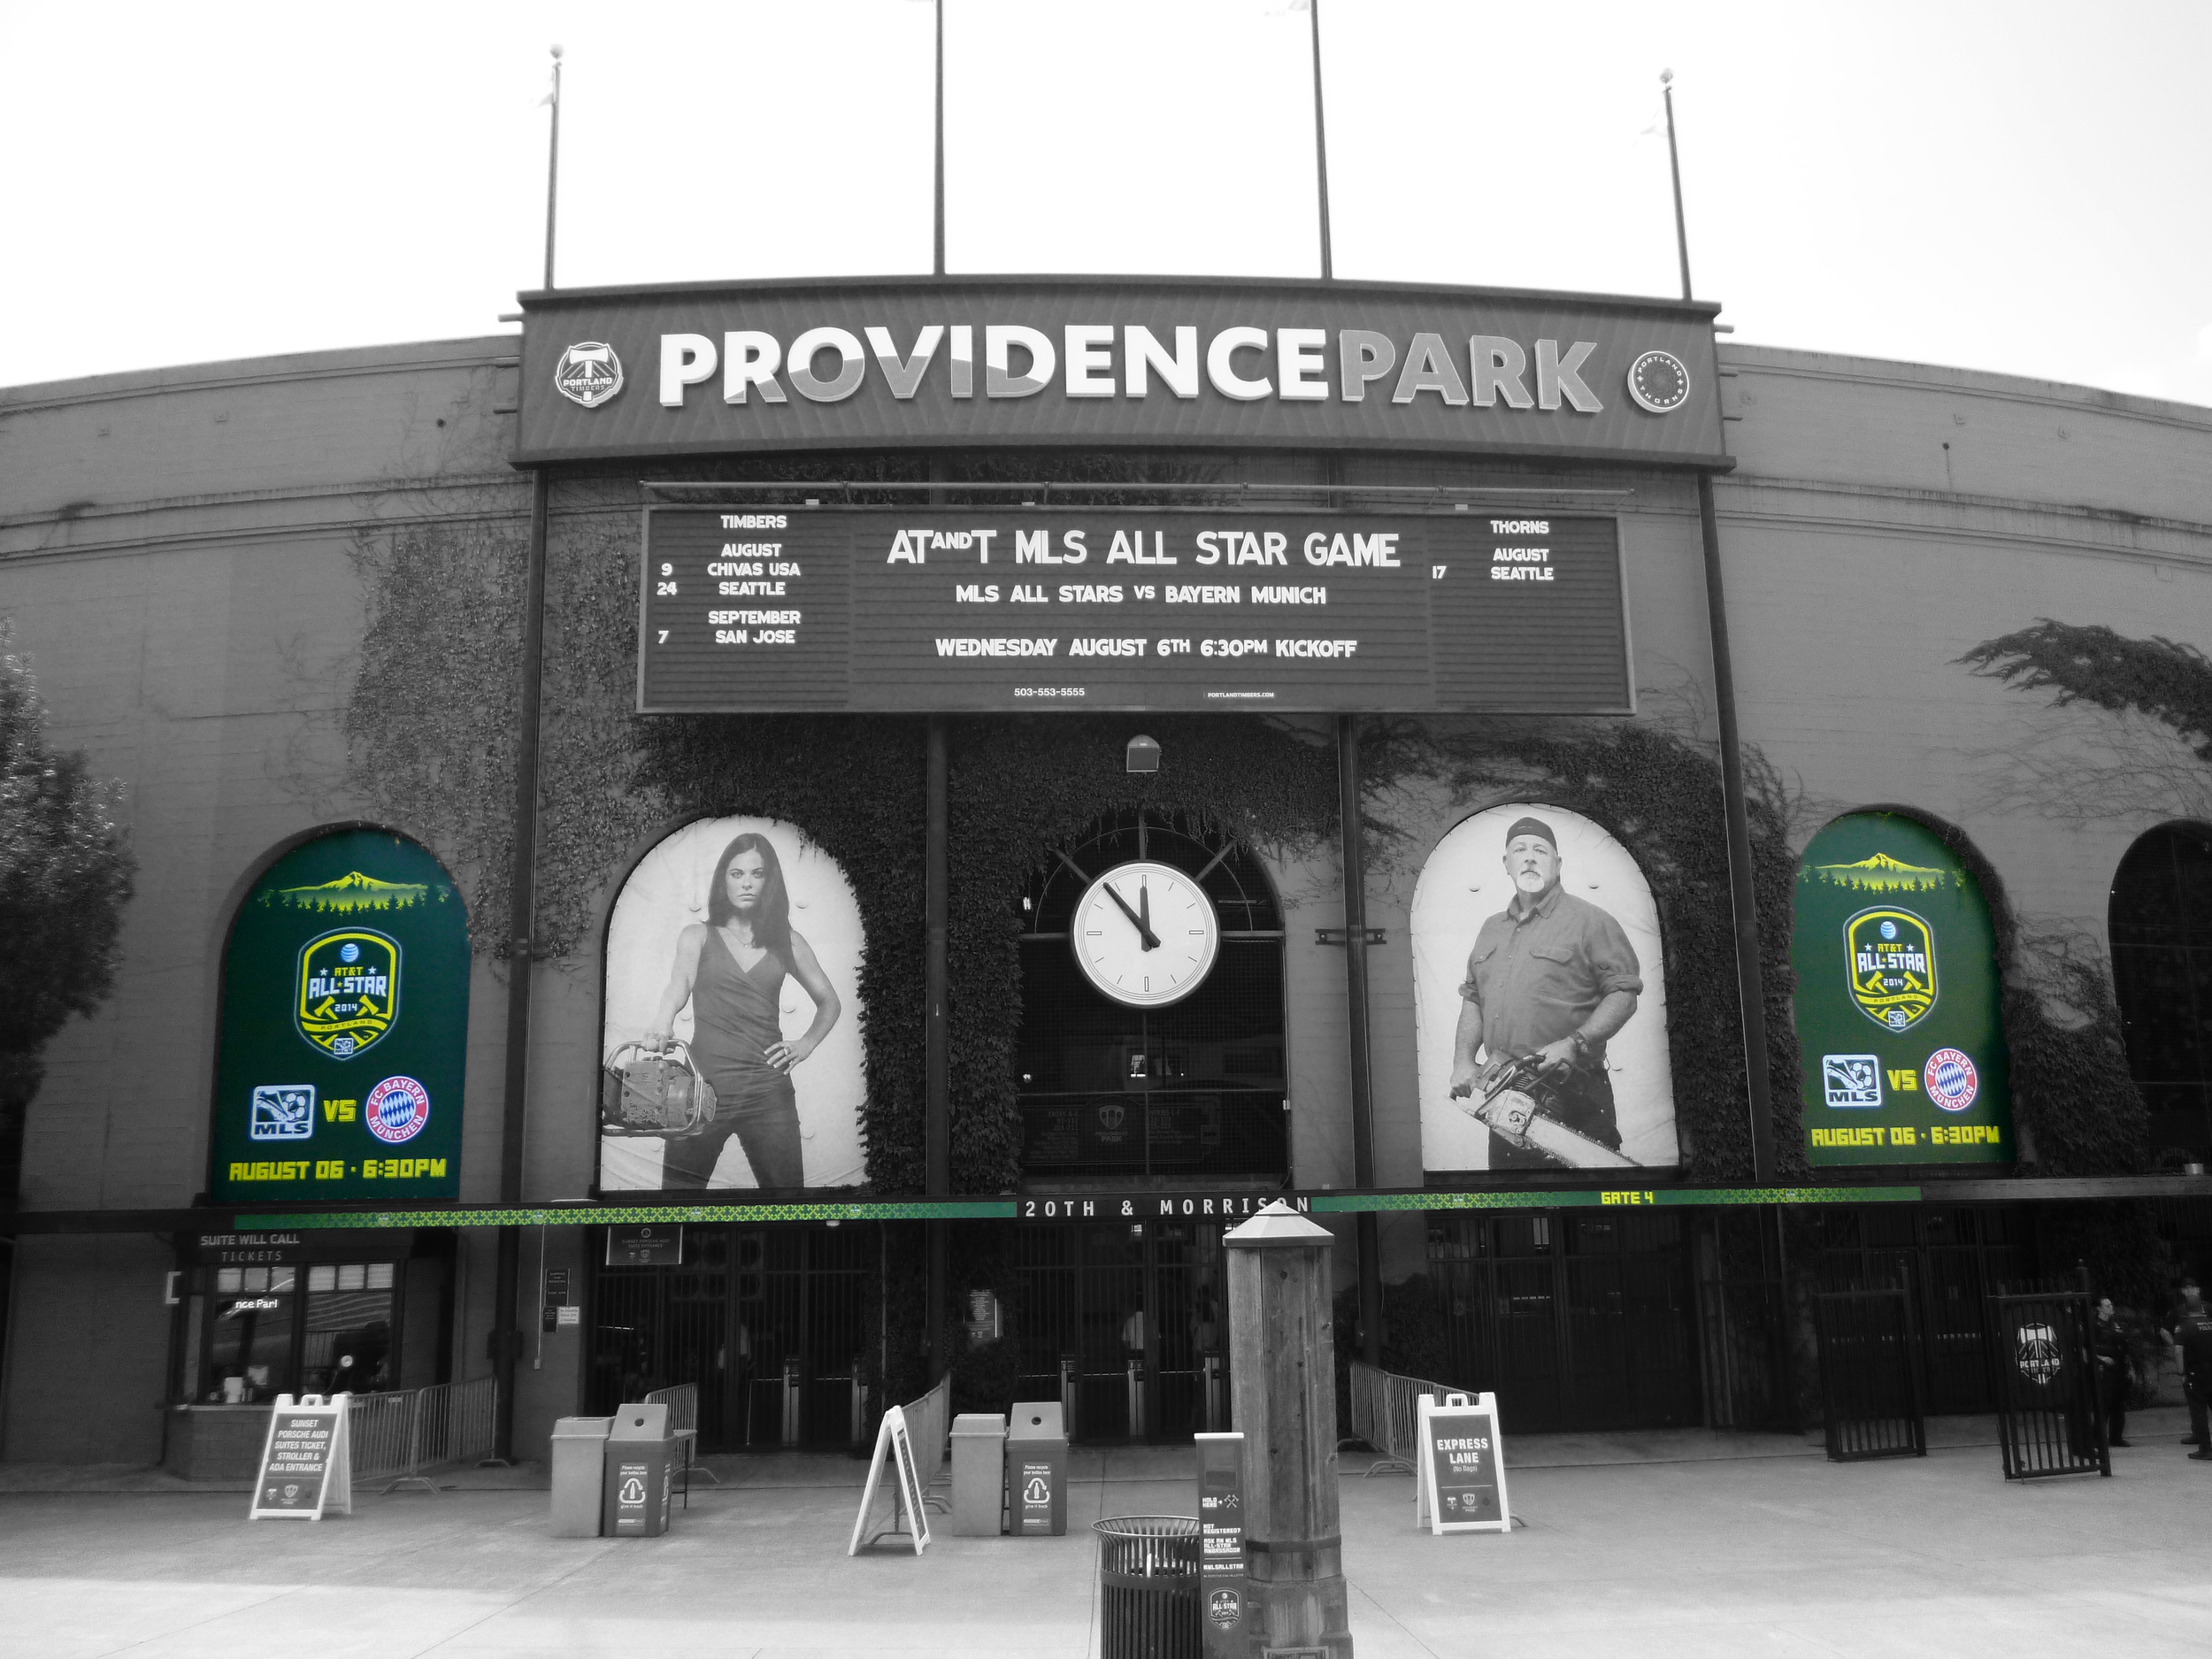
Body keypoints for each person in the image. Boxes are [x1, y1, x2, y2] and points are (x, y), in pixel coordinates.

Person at [643, 832, 841, 1191]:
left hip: (768, 1094)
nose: (747, 883)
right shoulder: (696, 935)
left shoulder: (788, 941)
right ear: (724, 881)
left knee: (788, 1208)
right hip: (700, 1092)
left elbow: (830, 1001)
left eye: (757, 873)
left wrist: (806, 1044)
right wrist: (662, 1019)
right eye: (737, 874)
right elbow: (679, 984)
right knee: (676, 1205)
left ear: (769, 881)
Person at [1448, 816, 1643, 1168]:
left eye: (1540, 850)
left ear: (1558, 863)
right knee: (1514, 1197)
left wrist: (1575, 1043)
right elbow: (1473, 998)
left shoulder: (1591, 921)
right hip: (1504, 1092)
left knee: (1585, 1198)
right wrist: (1463, 1059)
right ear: (1506, 863)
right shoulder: (1491, 928)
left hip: (1575, 1093)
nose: (1529, 857)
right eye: (1519, 850)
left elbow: (1624, 995)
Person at [2163, 1276, 2212, 1459]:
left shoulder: (2185, 1327)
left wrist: (2181, 1372)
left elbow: (2178, 1350)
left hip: (2195, 1372)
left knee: (2198, 1411)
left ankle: (2206, 1449)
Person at [2090, 1295, 2130, 1448]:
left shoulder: (2116, 1325)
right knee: (2104, 1405)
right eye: (2107, 1306)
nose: (2110, 1308)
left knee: (2118, 1405)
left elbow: (2125, 1347)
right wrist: (2100, 1358)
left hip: (2119, 1368)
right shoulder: (2094, 1326)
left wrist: (2129, 1367)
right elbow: (2087, 1348)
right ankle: (2097, 1438)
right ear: (2099, 1308)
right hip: (2104, 1369)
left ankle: (2116, 1437)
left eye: (2111, 1305)